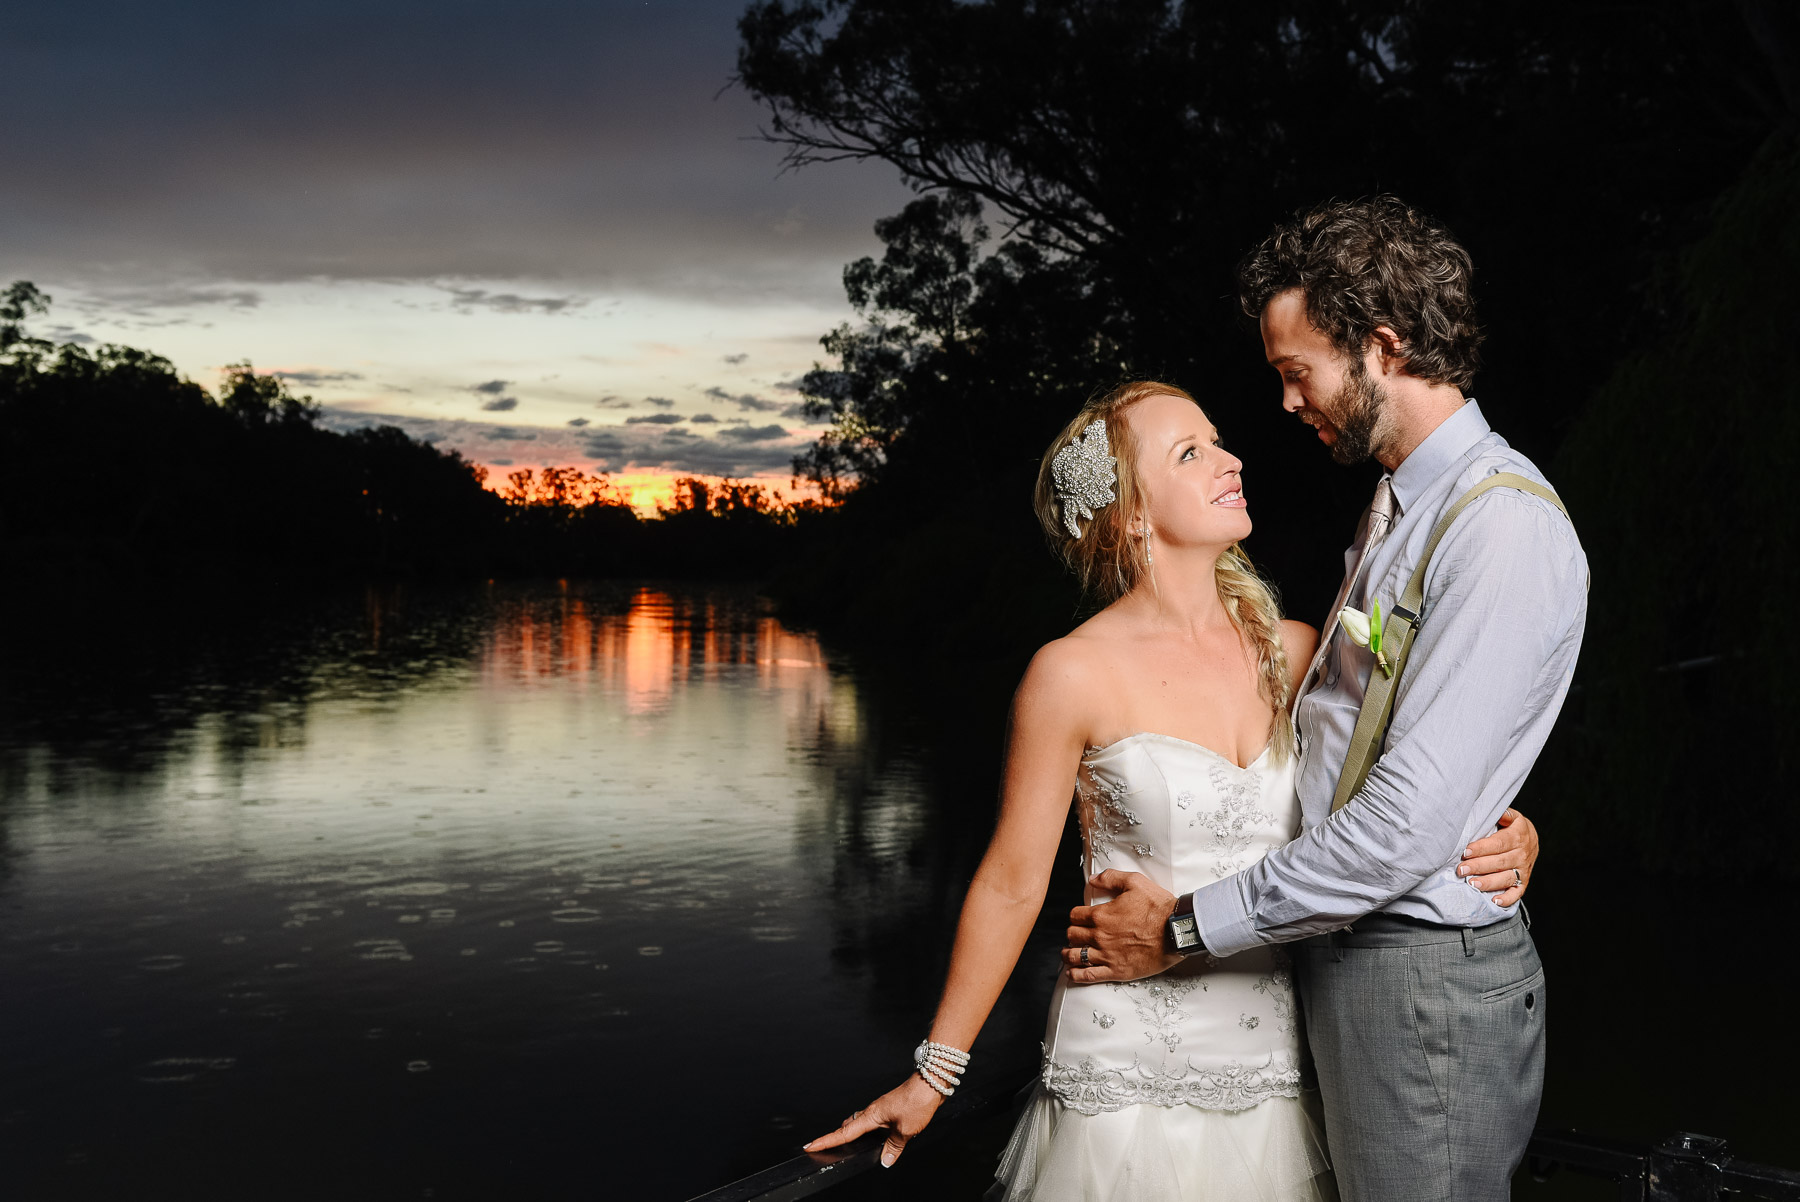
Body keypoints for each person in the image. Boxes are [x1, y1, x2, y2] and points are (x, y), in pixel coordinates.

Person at [802, 376, 1541, 1200]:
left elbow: (1411, 783)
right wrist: (935, 1073)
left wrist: (1510, 828)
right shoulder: (1068, 674)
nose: (1230, 460)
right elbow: (1012, 884)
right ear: (1130, 516)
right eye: (1192, 452)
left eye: (1217, 440)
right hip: (1122, 1073)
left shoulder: (1300, 652)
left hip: (1281, 1063)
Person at [1066, 197, 1587, 1202]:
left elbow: (1405, 822)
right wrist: (1493, 814)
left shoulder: (1500, 527)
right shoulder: (1395, 510)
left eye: (1295, 371)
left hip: (1422, 980)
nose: (1288, 402)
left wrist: (1178, 928)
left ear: (1382, 347)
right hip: (1353, 959)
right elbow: (1373, 740)